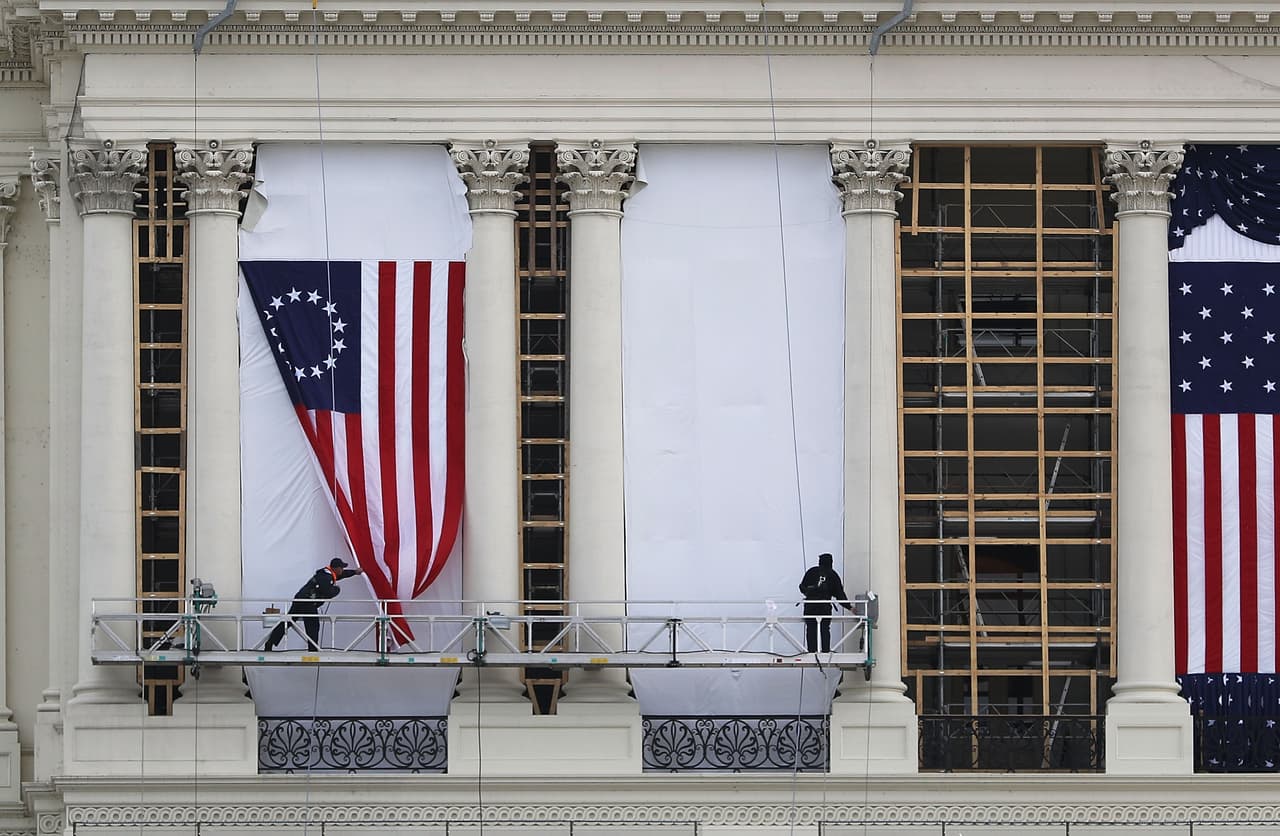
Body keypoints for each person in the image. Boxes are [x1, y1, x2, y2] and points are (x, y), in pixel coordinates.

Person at [264, 558, 364, 651]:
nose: (342, 570)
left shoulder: (326, 573)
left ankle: (270, 642)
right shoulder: (326, 577)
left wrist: (354, 572)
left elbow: (342, 574)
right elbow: (328, 592)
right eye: (341, 568)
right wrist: (337, 590)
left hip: (300, 599)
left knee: (288, 621)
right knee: (313, 625)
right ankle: (313, 649)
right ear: (336, 568)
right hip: (307, 602)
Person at [799, 552, 853, 653]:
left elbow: (802, 587)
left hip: (810, 607)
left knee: (811, 629)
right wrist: (849, 607)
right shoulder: (833, 575)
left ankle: (812, 651)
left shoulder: (811, 571)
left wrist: (809, 592)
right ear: (831, 562)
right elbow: (840, 594)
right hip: (824, 608)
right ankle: (825, 650)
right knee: (824, 629)